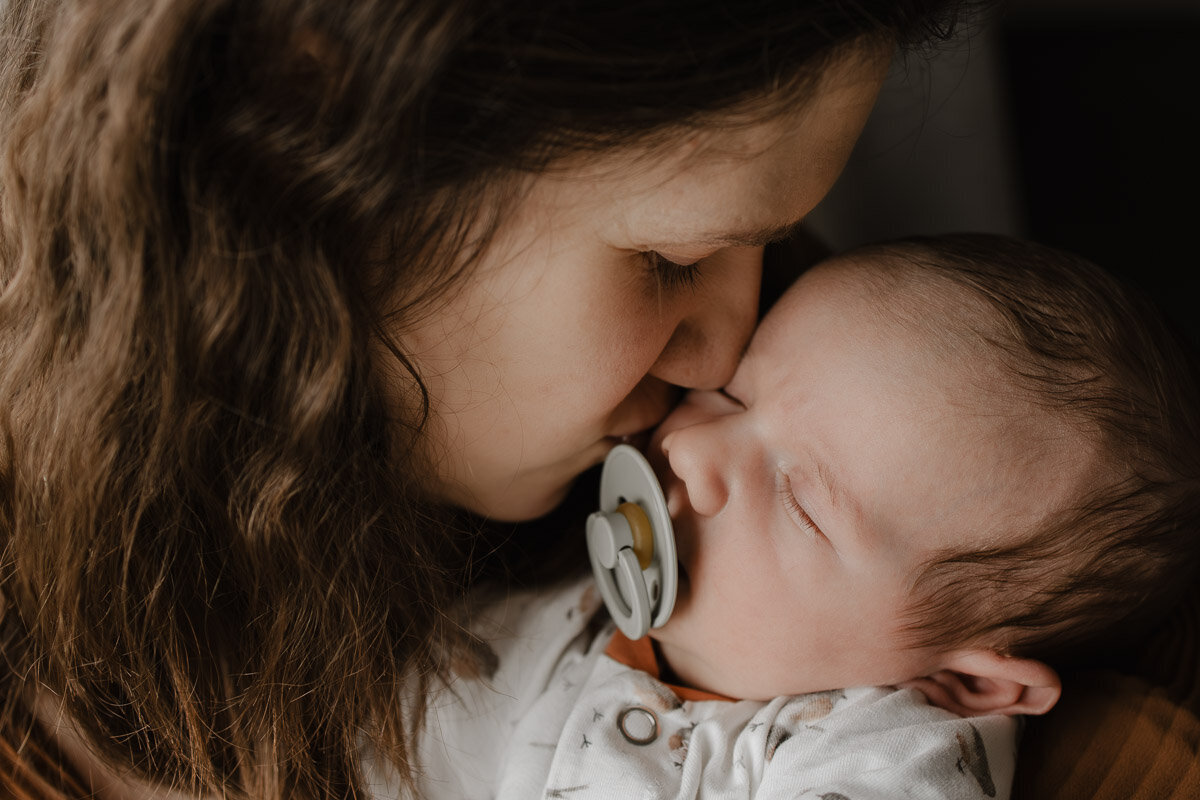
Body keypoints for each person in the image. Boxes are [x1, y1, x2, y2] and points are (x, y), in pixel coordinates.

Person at [0, 1, 1006, 798]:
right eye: (669, 259)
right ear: (316, 156)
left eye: (769, 239)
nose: (726, 354)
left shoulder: (804, 388)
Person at [398, 233, 1200, 800]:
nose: (695, 448)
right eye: (732, 391)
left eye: (801, 504)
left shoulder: (878, 756)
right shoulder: (566, 584)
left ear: (961, 680)